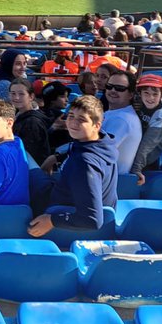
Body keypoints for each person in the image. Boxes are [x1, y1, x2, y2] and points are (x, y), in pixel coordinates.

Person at [28, 96, 119, 236]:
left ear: (97, 125)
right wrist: (56, 157)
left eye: (81, 120)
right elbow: (79, 147)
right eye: (70, 116)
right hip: (64, 195)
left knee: (23, 156)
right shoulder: (105, 143)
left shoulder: (85, 163)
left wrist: (52, 220)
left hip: (54, 208)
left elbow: (93, 220)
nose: (73, 123)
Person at [129, 73, 162, 184]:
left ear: (161, 95)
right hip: (140, 134)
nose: (150, 98)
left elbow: (147, 145)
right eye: (146, 93)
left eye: (155, 94)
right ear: (139, 93)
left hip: (155, 144)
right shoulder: (136, 101)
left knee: (146, 164)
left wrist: (136, 169)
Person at [99, 69, 143, 178]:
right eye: (109, 86)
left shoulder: (122, 119)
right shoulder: (117, 113)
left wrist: (58, 156)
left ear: (130, 95)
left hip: (106, 182)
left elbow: (98, 152)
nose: (113, 90)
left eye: (120, 88)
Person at [8, 77, 51, 165]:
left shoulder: (32, 122)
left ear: (31, 96)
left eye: (21, 94)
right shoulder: (17, 115)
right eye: (13, 93)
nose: (16, 97)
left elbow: (29, 154)